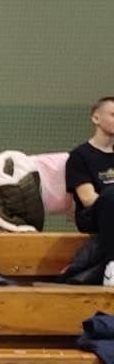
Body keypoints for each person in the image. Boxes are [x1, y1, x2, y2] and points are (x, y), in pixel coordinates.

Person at [68, 96, 114, 281]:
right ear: (96, 118)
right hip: (93, 214)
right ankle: (111, 266)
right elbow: (87, 198)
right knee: (111, 195)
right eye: (113, 115)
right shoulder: (80, 156)